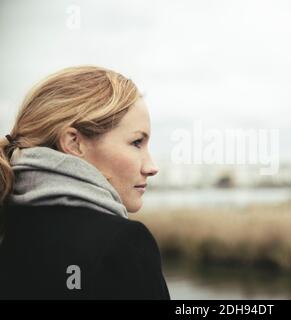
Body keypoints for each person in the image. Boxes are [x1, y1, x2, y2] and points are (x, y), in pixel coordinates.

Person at [0, 66, 170, 299]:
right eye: (136, 142)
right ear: (74, 143)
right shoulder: (123, 244)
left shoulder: (10, 225)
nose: (151, 167)